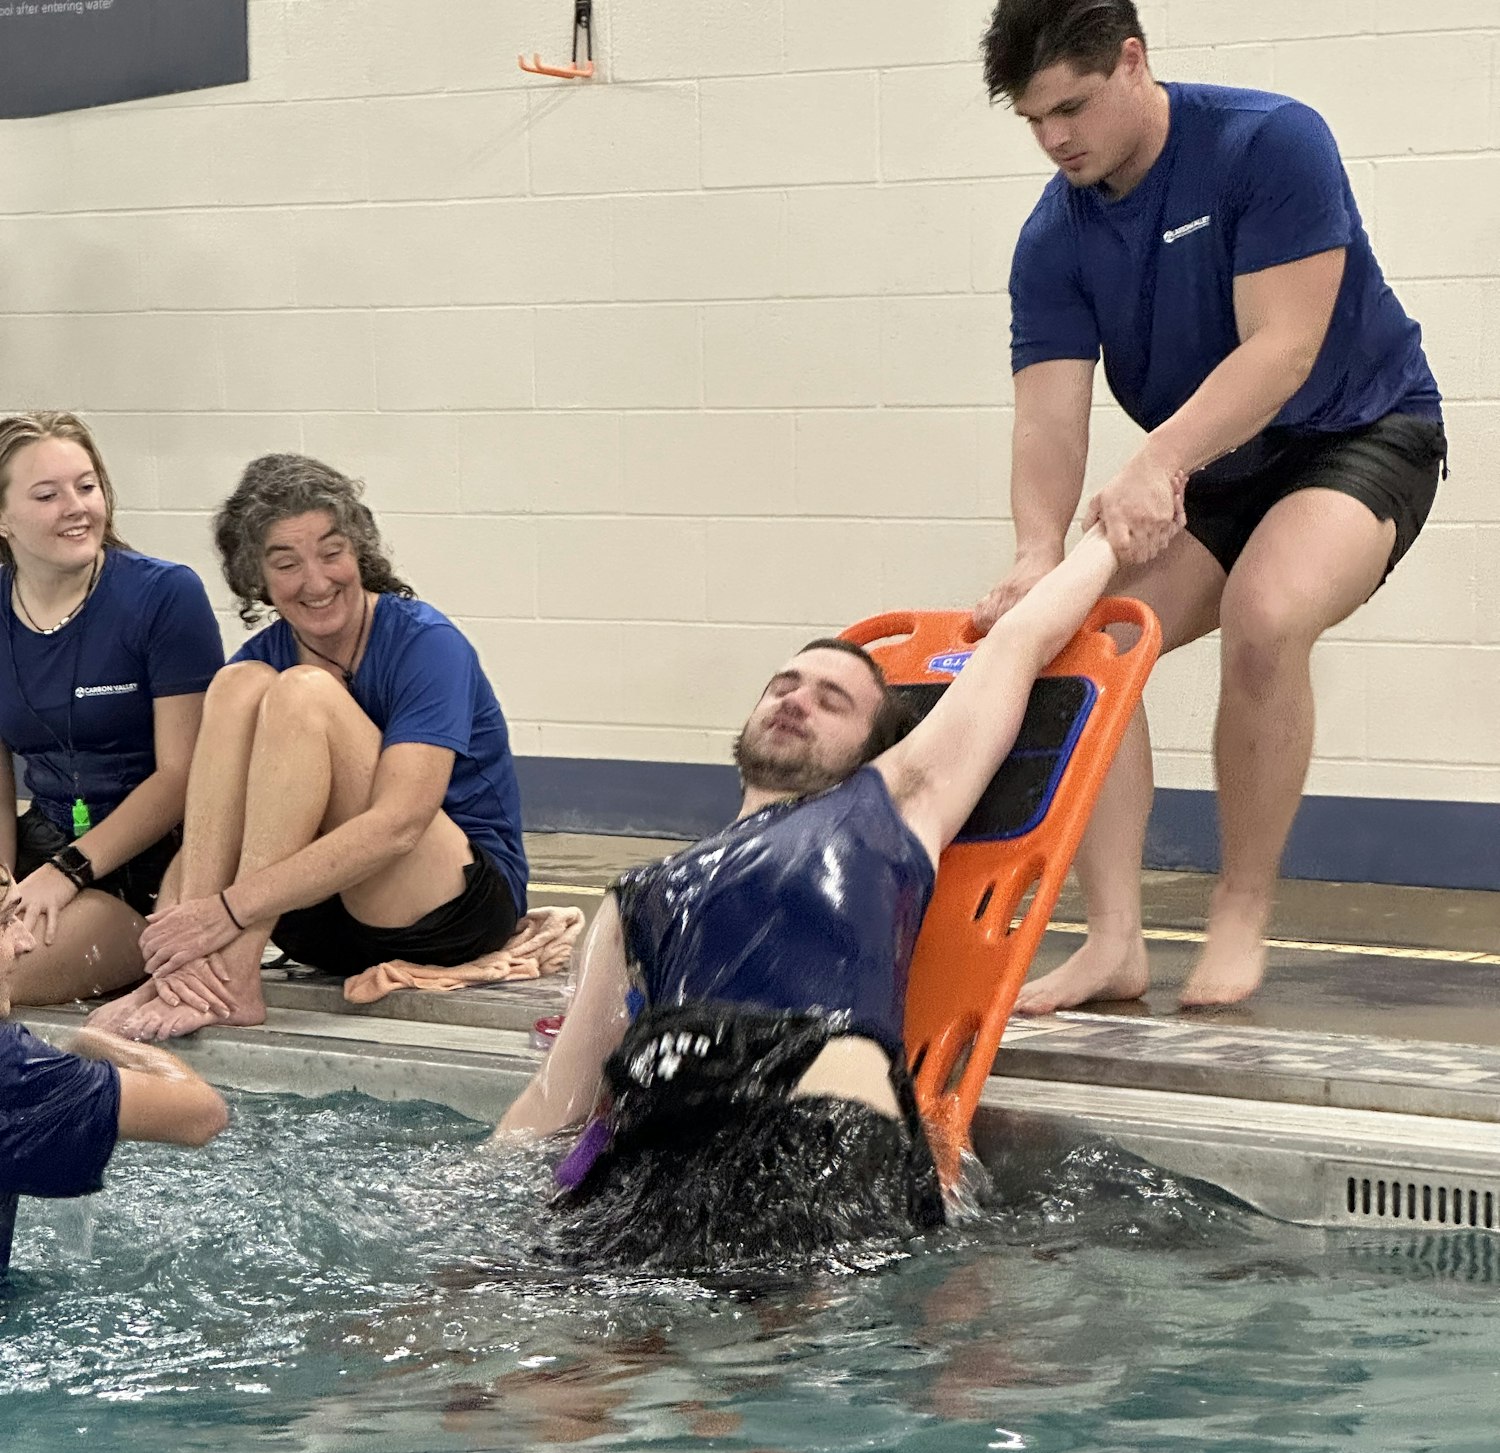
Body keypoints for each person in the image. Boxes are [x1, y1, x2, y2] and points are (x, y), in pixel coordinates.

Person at [493, 526, 1139, 1273]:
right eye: (782, 687)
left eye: (833, 701)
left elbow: (1017, 645)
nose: (797, 701)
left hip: (812, 1137)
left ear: (872, 750)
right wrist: (471, 1189)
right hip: (662, 1165)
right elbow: (556, 1102)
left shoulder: (890, 804)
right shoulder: (641, 894)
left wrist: (1113, 532)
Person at [975, 0, 1446, 1011]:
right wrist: (1035, 548)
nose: (1055, 140)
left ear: (1132, 60)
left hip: (1356, 430)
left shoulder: (1269, 142)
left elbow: (1284, 349)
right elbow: (1048, 420)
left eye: (1071, 107)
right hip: (1212, 471)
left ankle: (1240, 904)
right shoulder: (1053, 237)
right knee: (1072, 634)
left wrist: (1158, 459)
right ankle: (1114, 939)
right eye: (1033, 121)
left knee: (1267, 615)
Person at [91, 455, 530, 1041]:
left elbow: (399, 825)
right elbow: (209, 835)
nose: (317, 581)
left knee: (303, 693)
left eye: (331, 552)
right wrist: (175, 955)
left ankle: (237, 968)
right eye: (286, 563)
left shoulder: (426, 643)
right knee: (237, 684)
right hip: (318, 925)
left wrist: (226, 915)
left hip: (446, 909)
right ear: (259, 580)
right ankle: (203, 976)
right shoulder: (256, 661)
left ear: (360, 552)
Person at [0, 411, 222, 1006]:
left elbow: (181, 776)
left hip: (143, 869)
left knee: (3, 974)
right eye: (47, 495)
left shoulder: (164, 596)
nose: (76, 506)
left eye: (87, 486)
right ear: (3, 519)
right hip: (42, 848)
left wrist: (68, 871)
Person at [0, 862, 228, 1276]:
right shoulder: (13, 1068)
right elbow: (202, 1114)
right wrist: (98, 1044)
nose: (26, 941)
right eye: (4, 922)